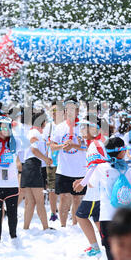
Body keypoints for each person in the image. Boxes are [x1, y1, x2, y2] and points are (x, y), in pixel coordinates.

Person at [90, 137, 131, 260]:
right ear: (121, 152)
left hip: (107, 215)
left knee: (110, 247)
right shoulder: (127, 168)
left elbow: (91, 184)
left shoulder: (101, 167)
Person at [72, 116, 108, 258]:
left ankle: (97, 248)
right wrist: (84, 179)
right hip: (99, 186)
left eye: (84, 127)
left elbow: (94, 166)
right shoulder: (99, 142)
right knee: (98, 218)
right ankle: (109, 247)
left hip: (94, 190)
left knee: (81, 216)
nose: (81, 130)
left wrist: (83, 183)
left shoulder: (94, 144)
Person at [49, 97, 87, 227]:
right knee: (64, 197)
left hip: (80, 169)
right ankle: (63, 226)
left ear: (77, 111)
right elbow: (52, 146)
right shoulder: (59, 127)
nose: (70, 112)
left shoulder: (83, 126)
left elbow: (87, 146)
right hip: (64, 169)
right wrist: (63, 146)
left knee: (77, 198)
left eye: (73, 109)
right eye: (67, 109)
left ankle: (75, 225)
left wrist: (74, 146)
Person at [0, 116, 21, 246]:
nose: (3, 131)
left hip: (11, 184)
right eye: (0, 128)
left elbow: (25, 142)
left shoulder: (14, 143)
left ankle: (14, 237)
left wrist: (13, 126)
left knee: (13, 214)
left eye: (6, 128)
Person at [21, 109, 53, 231]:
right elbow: (34, 150)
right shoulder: (35, 133)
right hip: (33, 166)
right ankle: (45, 227)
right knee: (39, 201)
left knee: (31, 202)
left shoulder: (32, 132)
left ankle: (26, 227)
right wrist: (46, 159)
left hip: (28, 166)